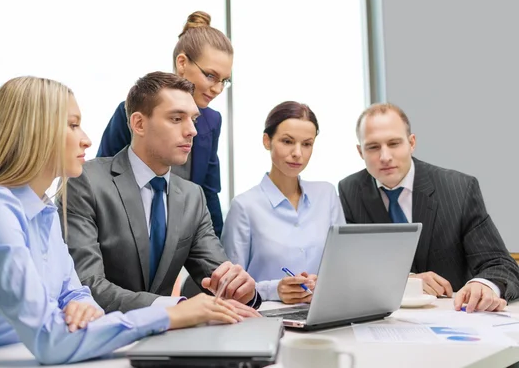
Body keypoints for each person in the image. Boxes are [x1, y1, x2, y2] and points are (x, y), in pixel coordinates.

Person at [0, 76, 247, 365]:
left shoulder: (45, 210)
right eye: (73, 125)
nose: (87, 139)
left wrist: (81, 308)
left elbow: (76, 294)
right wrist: (167, 314)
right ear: (36, 131)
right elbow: (50, 339)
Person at [61, 71, 262, 315]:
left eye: (193, 120)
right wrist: (176, 307)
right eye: (177, 119)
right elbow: (87, 285)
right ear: (139, 123)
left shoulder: (192, 197)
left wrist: (244, 291)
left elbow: (219, 278)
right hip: (106, 338)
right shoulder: (85, 182)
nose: (192, 131)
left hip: (170, 339)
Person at [338, 102, 519, 313]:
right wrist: (410, 280)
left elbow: (501, 265)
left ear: (411, 143)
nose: (385, 156)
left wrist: (485, 285)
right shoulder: (349, 190)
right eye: (373, 147)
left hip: (454, 320)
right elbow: (353, 268)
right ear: (360, 152)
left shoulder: (458, 188)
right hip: (384, 321)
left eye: (394, 143)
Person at [97, 11, 231, 237]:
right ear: (182, 63)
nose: (217, 89)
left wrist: (219, 259)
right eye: (210, 76)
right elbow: (102, 179)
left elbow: (208, 194)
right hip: (124, 235)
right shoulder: (130, 112)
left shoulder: (212, 121)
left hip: (180, 240)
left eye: (224, 81)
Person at [221, 102, 345, 304]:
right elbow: (229, 287)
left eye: (307, 144)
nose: (298, 153)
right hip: (264, 318)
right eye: (287, 141)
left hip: (325, 310)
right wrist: (274, 290)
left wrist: (324, 282)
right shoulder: (244, 206)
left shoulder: (327, 194)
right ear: (266, 141)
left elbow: (343, 266)